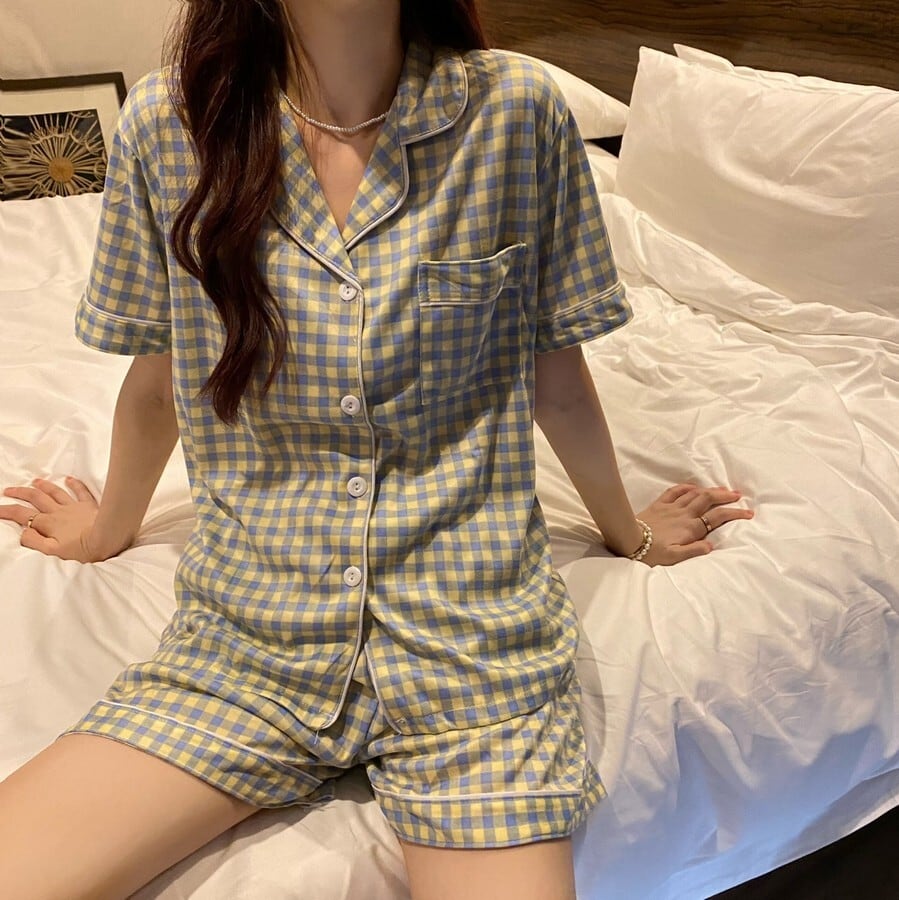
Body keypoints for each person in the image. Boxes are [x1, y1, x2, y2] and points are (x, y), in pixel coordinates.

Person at [0, 1, 753, 898]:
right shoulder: (170, 123)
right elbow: (161, 381)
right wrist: (104, 534)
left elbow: (555, 377)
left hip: (471, 649)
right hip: (248, 638)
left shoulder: (515, 112)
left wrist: (631, 534)